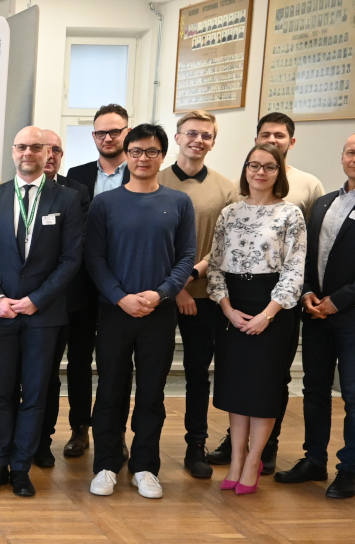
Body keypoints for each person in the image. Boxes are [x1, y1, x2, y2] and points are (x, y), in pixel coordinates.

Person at [276, 131, 355, 498]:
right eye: (351, 152)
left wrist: (338, 301)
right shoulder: (323, 203)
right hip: (315, 312)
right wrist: (306, 293)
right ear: (343, 156)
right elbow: (304, 254)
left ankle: (349, 470)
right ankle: (313, 459)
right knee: (314, 390)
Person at [208, 111, 327, 472]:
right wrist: (227, 309)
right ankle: (236, 460)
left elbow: (294, 269)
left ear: (279, 172)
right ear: (245, 170)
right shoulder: (229, 213)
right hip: (233, 306)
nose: (260, 172)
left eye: (269, 167)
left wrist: (267, 315)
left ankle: (253, 462)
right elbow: (215, 264)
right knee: (235, 388)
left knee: (263, 389)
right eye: (254, 165)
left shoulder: (291, 214)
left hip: (272, 308)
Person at [84, 123, 197, 499]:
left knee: (151, 393)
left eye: (151, 152)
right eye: (135, 151)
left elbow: (186, 256)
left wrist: (161, 293)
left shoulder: (179, 202)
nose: (143, 158)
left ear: (162, 156)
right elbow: (94, 258)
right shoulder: (105, 203)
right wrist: (120, 297)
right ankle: (106, 464)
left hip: (158, 313)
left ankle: (145, 466)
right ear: (126, 155)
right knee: (110, 391)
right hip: (115, 312)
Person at [0, 127, 85, 497]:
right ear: (12, 151)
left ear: (47, 153)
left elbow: (71, 259)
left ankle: (21, 469)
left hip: (44, 314)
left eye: (36, 147)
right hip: (2, 313)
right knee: (0, 394)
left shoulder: (67, 199)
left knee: (36, 394)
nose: (28, 153)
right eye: (22, 146)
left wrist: (37, 299)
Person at [156, 111, 239, 479]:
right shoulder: (153, 179)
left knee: (197, 374)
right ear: (177, 138)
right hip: (159, 294)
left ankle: (196, 446)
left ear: (213, 142)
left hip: (204, 296)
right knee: (152, 372)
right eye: (191, 133)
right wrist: (175, 290)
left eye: (206, 135)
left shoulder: (226, 189)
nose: (198, 140)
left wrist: (188, 282)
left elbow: (223, 245)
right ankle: (144, 445)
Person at [62, 103, 132, 461]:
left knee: (117, 363)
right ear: (93, 136)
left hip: (125, 283)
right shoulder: (77, 175)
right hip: (83, 285)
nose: (108, 138)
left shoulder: (140, 172)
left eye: (114, 131)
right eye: (101, 132)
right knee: (78, 360)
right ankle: (80, 428)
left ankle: (115, 432)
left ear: (127, 133)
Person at [35, 128, 90, 467]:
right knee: (37, 373)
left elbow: (74, 246)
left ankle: (61, 434)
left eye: (56, 149)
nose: (50, 155)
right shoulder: (14, 192)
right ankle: (30, 436)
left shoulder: (76, 192)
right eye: (45, 148)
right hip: (29, 298)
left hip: (71, 299)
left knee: (67, 369)